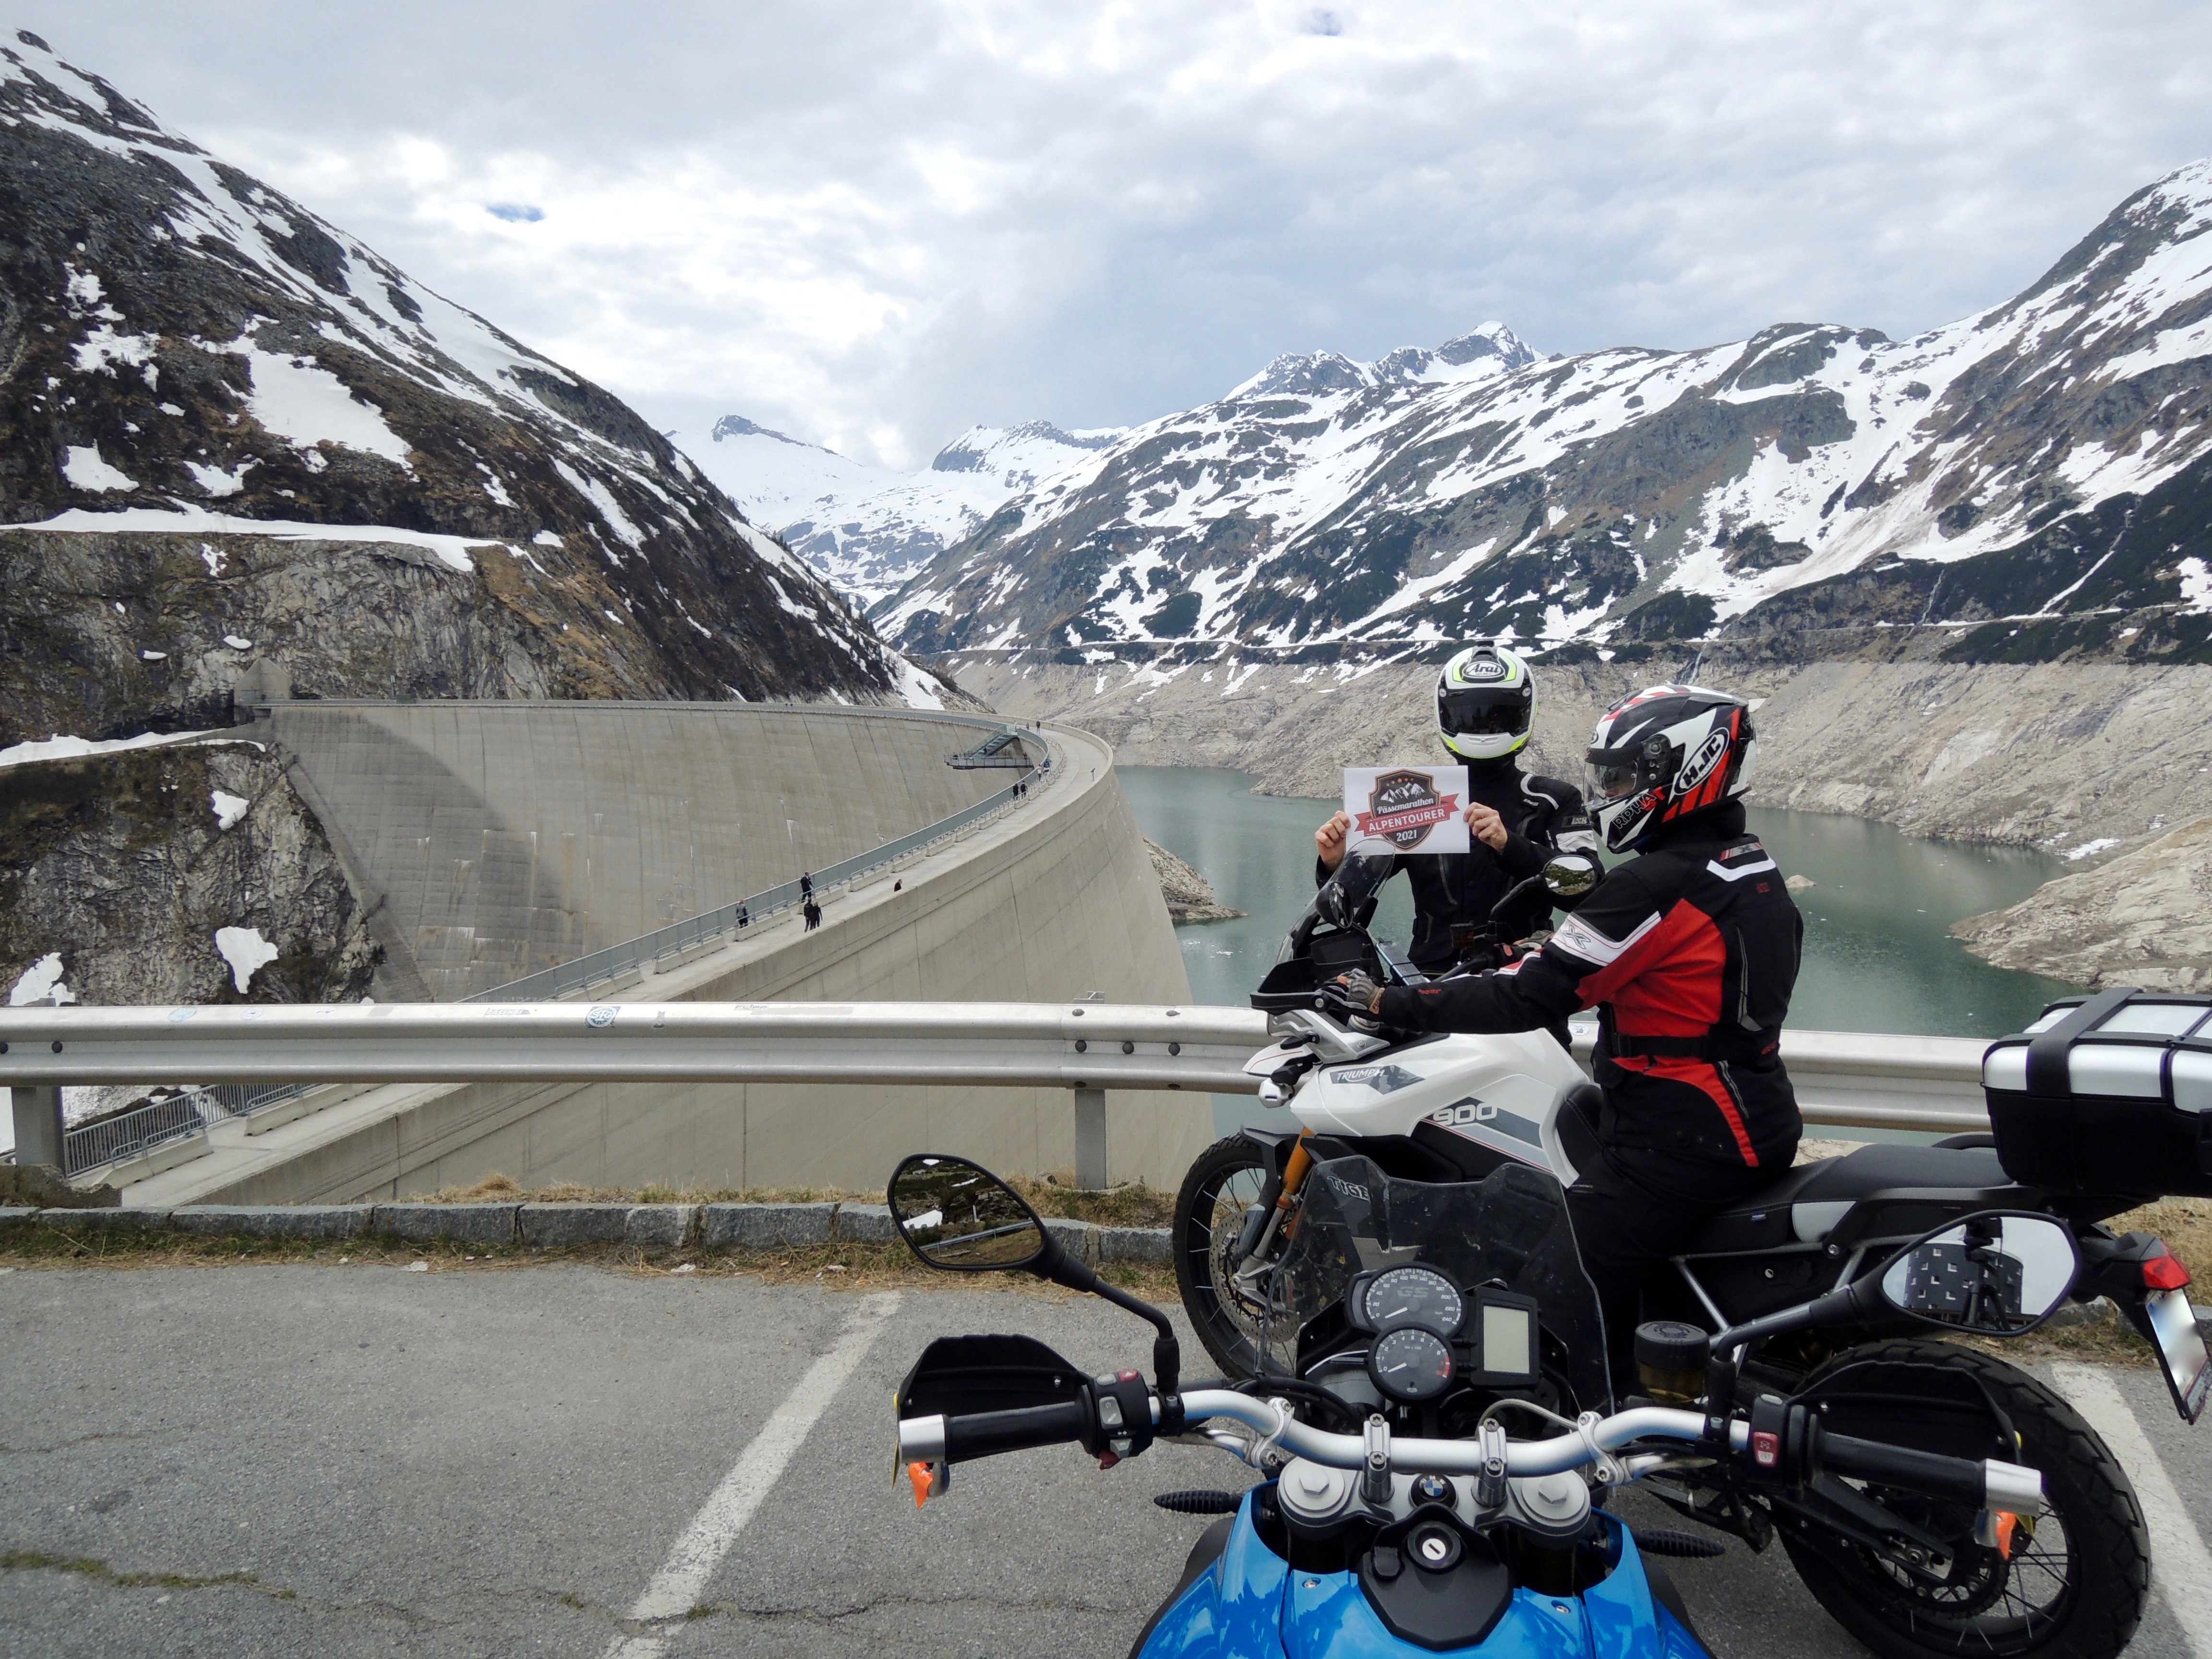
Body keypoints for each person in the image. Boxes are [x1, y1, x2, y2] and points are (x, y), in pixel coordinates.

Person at [1323, 684, 1803, 1380]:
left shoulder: (1655, 886)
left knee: (1545, 1294)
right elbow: (1643, 965)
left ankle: (1568, 1429)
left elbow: (1529, 996)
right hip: (1743, 1113)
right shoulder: (1745, 861)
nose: (1612, 794)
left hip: (1679, 1140)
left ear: (1685, 772)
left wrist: (1388, 1002)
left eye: (1624, 780)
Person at [1314, 639, 1598, 973]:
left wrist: (1510, 845)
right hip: (1428, 979)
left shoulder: (1555, 799)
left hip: (1520, 975)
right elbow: (1350, 902)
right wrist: (1335, 863)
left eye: (1497, 715)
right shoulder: (1412, 794)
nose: (1482, 724)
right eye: (1470, 715)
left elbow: (1590, 889)